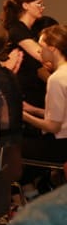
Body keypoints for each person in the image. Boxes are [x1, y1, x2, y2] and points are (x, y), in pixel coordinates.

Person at [20, 24, 67, 164]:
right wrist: (33, 110)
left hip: (60, 145)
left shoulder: (56, 78)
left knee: (11, 148)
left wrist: (23, 116)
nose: (39, 52)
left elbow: (53, 127)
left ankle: (29, 185)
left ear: (52, 48)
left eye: (42, 47)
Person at [1, 0, 47, 110]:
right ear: (25, 5)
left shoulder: (34, 29)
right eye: (39, 4)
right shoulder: (17, 29)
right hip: (25, 90)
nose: (42, 8)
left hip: (36, 87)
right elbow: (41, 55)